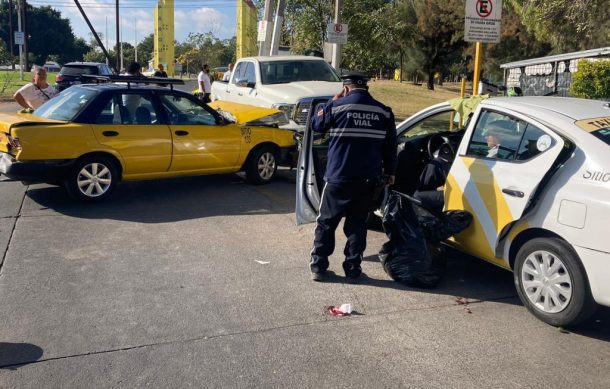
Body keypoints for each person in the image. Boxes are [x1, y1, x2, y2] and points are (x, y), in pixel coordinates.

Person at [309, 71, 397, 282]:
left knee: (327, 223)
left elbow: (316, 125)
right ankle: (353, 268)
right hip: (367, 179)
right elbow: (390, 147)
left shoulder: (337, 107)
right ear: (366, 87)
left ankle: (319, 267)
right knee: (357, 224)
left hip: (338, 177)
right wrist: (390, 172)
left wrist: (331, 102)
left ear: (346, 88)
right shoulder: (384, 112)